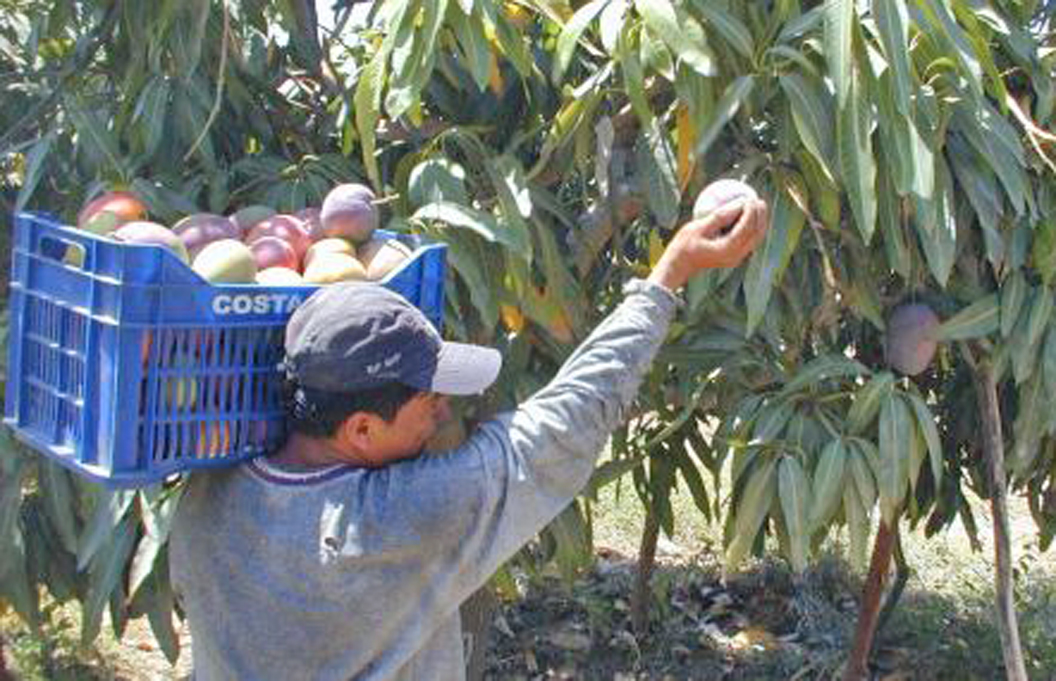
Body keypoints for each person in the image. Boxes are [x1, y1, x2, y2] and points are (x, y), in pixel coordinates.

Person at [170, 196, 769, 680]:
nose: (445, 407)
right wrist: (669, 275)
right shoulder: (396, 519)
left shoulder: (210, 486)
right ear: (360, 428)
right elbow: (568, 418)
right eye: (427, 399)